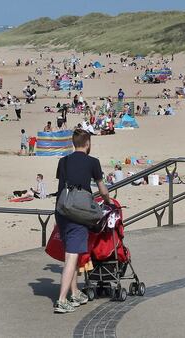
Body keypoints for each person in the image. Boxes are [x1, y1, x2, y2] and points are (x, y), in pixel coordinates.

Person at [54, 129, 110, 314]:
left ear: (73, 143)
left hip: (62, 210)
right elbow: (102, 190)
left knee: (71, 253)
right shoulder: (93, 162)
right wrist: (108, 201)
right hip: (78, 214)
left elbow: (62, 186)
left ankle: (75, 292)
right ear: (87, 143)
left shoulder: (64, 161)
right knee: (71, 257)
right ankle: (62, 300)